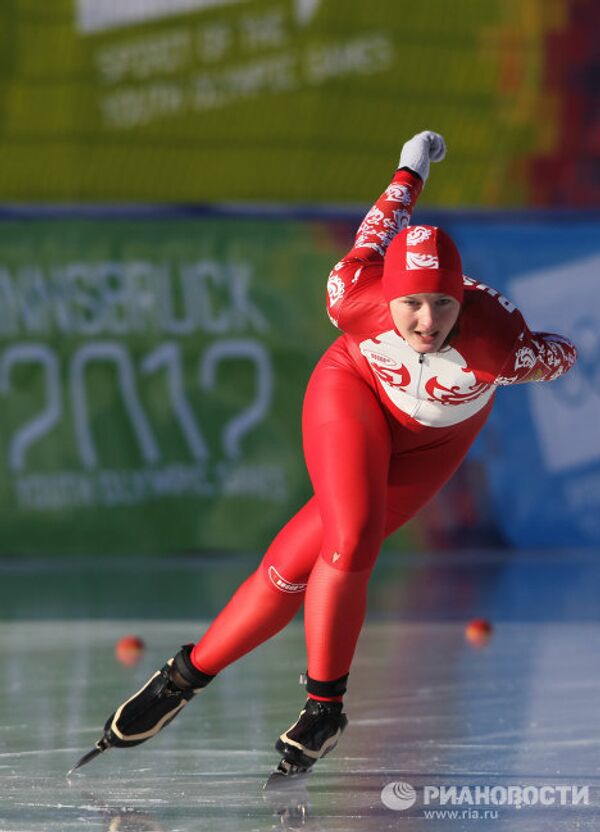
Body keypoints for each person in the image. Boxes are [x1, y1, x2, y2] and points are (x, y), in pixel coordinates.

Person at [75, 131, 577, 777]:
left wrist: (551, 356)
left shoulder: (500, 349)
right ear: (385, 295)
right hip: (354, 393)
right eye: (412, 303)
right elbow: (380, 225)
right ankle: (324, 708)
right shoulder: (351, 294)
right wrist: (410, 168)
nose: (427, 321)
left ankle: (183, 677)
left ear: (464, 300)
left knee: (292, 568)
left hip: (436, 444)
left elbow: (564, 353)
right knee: (352, 537)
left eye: (444, 304)